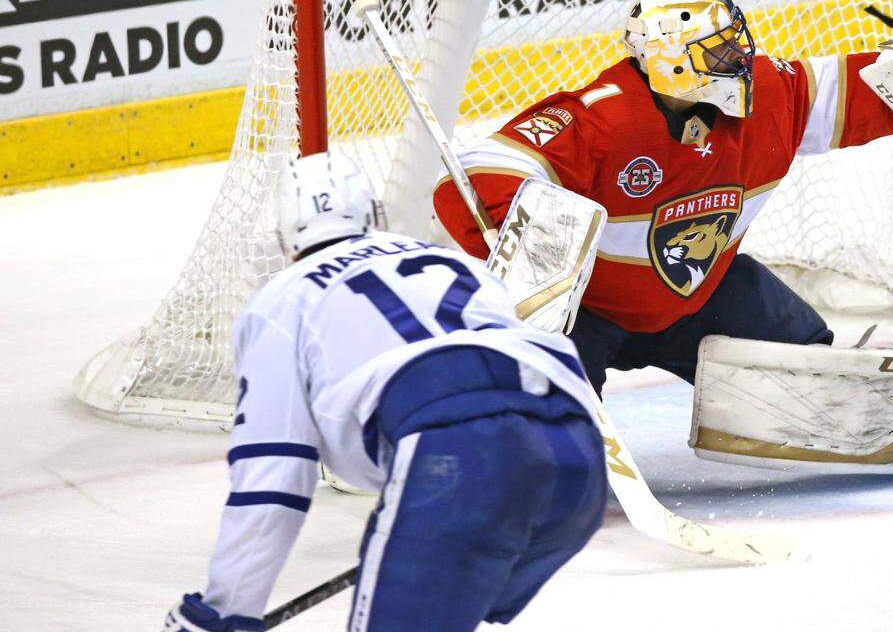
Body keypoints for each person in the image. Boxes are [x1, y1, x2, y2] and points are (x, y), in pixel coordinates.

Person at [434, 0, 893, 394]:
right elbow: (475, 175)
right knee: (542, 416)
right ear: (670, 57)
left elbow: (854, 94)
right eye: (720, 49)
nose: (741, 57)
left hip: (701, 299)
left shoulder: (769, 97)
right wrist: (530, 231)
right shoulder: (603, 119)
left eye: (736, 42)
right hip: (587, 313)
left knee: (809, 370)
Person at [164, 152, 605, 632]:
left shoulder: (281, 300)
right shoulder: (451, 262)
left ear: (285, 237)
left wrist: (224, 611)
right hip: (576, 452)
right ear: (372, 214)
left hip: (455, 457)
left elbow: (272, 475)